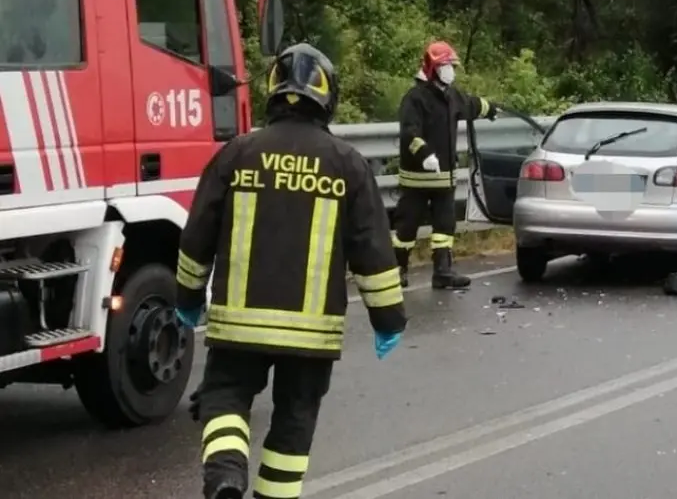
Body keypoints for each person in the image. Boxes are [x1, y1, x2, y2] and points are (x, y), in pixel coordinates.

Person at [173, 43, 407, 499]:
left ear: (272, 92)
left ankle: (225, 474)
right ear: (328, 96)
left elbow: (196, 237)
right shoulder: (347, 164)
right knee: (295, 418)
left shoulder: (236, 153)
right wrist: (388, 320)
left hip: (238, 325)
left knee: (224, 397)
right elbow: (373, 252)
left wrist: (186, 299)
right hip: (311, 333)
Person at [392, 40, 497, 290]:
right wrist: (425, 153)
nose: (451, 70)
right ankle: (398, 270)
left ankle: (443, 272)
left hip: (444, 179)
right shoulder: (415, 98)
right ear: (433, 68)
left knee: (444, 227)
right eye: (447, 65)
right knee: (407, 226)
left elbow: (471, 105)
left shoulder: (451, 96)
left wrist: (491, 108)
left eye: (452, 65)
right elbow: (409, 132)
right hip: (417, 179)